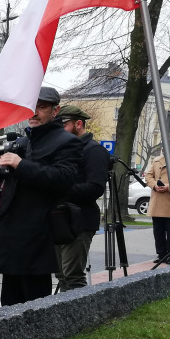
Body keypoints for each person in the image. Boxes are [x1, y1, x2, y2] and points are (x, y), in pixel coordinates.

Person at [0, 86, 81, 305]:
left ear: (55, 111)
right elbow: (8, 182)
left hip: (39, 229)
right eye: (32, 106)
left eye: (41, 107)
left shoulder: (67, 141)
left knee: (34, 300)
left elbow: (64, 179)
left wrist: (21, 164)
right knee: (9, 299)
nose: (34, 112)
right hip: (11, 229)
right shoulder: (24, 141)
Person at [54, 105, 108, 290]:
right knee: (61, 274)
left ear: (78, 124)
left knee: (72, 276)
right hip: (60, 219)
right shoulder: (63, 149)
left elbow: (95, 187)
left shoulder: (94, 150)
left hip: (79, 221)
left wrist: (59, 189)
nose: (60, 129)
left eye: (64, 125)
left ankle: (76, 316)